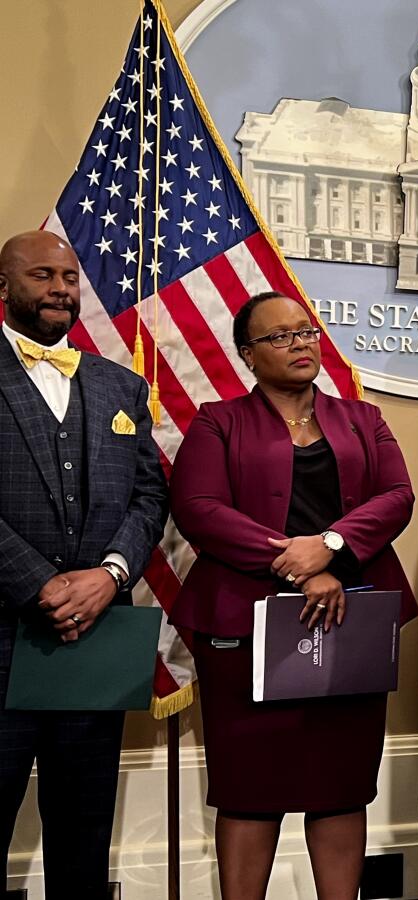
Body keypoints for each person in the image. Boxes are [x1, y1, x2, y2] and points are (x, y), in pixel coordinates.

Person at [169, 291, 418, 899]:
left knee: (341, 785)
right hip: (241, 630)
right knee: (249, 788)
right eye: (279, 337)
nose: (299, 343)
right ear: (248, 355)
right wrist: (299, 564)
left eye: (305, 331)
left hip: (349, 620)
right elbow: (198, 510)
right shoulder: (216, 421)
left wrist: (331, 547)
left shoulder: (365, 419)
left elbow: (397, 497)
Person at [0, 231, 168, 898]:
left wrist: (113, 573)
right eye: (42, 275)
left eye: (68, 277)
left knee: (83, 836)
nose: (60, 288)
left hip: (96, 643)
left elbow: (150, 492)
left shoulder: (121, 386)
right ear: (5, 288)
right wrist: (35, 581)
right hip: (4, 637)